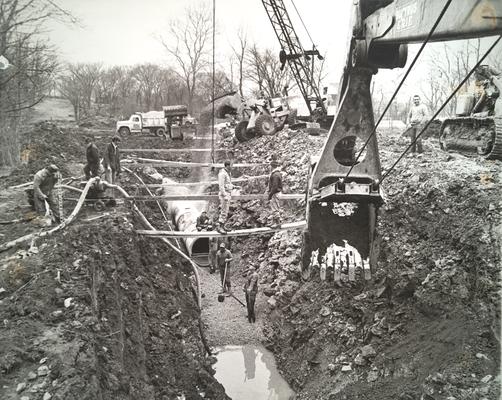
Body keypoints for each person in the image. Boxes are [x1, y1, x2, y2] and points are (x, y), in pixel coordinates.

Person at [217, 160, 237, 233]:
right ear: (227, 165)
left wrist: (234, 187)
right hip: (224, 195)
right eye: (231, 165)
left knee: (226, 211)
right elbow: (221, 186)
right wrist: (225, 195)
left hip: (228, 193)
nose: (232, 167)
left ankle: (223, 226)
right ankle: (219, 227)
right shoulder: (222, 174)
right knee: (223, 211)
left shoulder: (228, 173)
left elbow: (228, 184)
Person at [267, 158, 283, 227]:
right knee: (274, 208)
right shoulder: (277, 173)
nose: (269, 167)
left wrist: (270, 194)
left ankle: (278, 223)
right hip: (276, 193)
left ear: (272, 166)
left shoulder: (275, 175)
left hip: (275, 193)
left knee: (275, 208)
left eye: (270, 166)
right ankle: (274, 222)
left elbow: (275, 186)